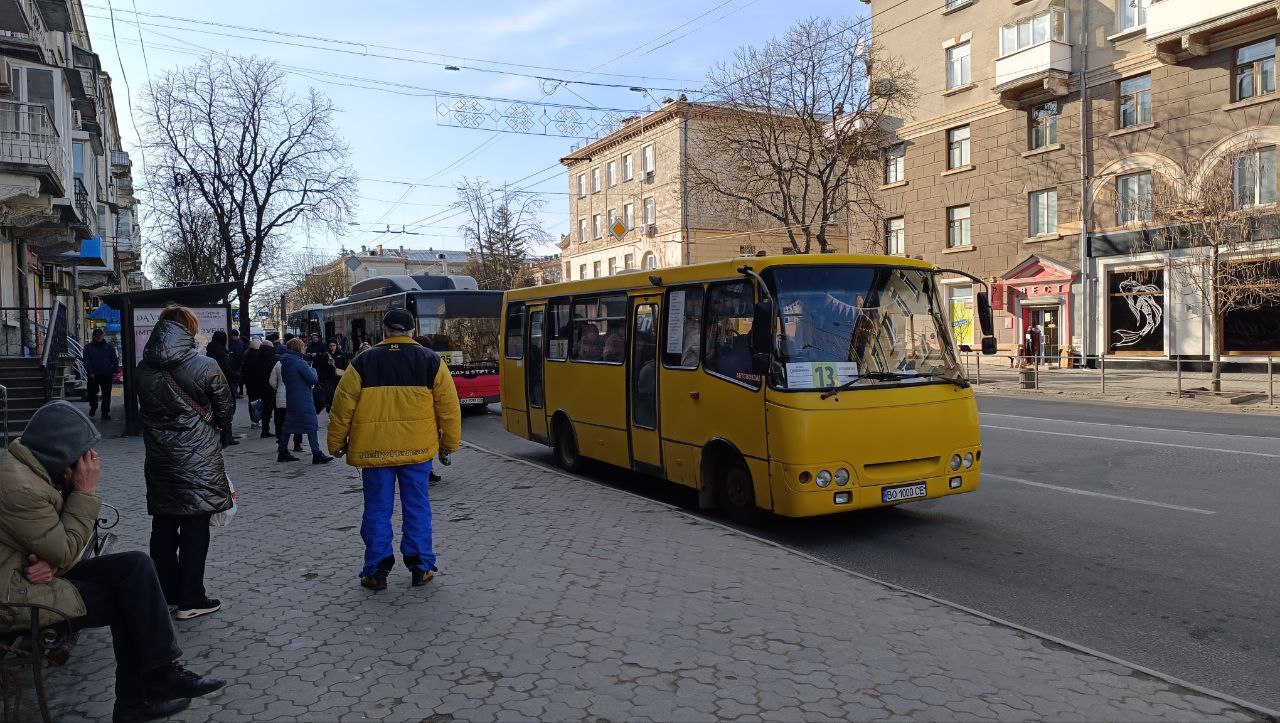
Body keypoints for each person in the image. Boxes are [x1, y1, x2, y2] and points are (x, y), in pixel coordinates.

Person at [0, 401, 226, 722]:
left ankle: (159, 674)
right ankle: (138, 699)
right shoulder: (21, 488)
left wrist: (55, 557)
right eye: (82, 455)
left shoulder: (32, 469)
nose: (88, 463)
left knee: (134, 566)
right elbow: (64, 549)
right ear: (61, 453)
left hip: (29, 573)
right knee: (128, 599)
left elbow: (58, 547)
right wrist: (85, 492)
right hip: (14, 596)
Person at [329, 309, 461, 591]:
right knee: (417, 507)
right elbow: (449, 409)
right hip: (417, 449)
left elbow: (341, 408)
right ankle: (421, 567)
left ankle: (376, 572)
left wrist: (336, 444)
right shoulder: (431, 361)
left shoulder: (362, 362)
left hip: (374, 452)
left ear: (385, 331)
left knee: (377, 509)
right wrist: (448, 444)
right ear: (412, 331)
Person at [135, 305, 234, 622]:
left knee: (163, 526)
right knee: (195, 527)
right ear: (189, 331)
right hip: (198, 460)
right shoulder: (206, 365)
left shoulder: (142, 370)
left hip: (161, 459)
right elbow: (226, 411)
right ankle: (192, 597)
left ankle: (167, 593)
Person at [272, 338, 333, 464]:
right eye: (303, 346)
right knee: (311, 425)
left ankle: (282, 451)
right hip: (303, 398)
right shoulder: (300, 363)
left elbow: (285, 379)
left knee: (288, 425)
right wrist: (313, 369)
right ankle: (316, 454)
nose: (305, 348)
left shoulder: (285, 363)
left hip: (292, 397)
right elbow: (313, 379)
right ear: (298, 348)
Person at [244, 338, 278, 438]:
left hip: (256, 387)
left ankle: (259, 424)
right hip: (269, 388)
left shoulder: (254, 357)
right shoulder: (272, 357)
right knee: (269, 410)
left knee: (261, 408)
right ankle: (267, 430)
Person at [83, 328, 119, 421]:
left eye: (100, 335)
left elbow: (114, 359)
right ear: (94, 336)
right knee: (92, 393)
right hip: (93, 374)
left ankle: (105, 412)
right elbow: (86, 361)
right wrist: (90, 372)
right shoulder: (88, 347)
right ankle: (93, 406)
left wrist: (114, 370)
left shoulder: (109, 347)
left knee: (106, 394)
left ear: (103, 336)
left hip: (106, 373)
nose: (98, 337)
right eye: (96, 335)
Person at [314, 339, 347, 414]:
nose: (332, 347)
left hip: (339, 378)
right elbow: (321, 368)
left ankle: (338, 411)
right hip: (328, 379)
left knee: (338, 395)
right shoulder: (325, 355)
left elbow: (345, 365)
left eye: (334, 345)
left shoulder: (341, 354)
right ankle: (330, 412)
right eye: (330, 346)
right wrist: (327, 365)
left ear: (336, 345)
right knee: (330, 396)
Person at [227, 329, 247, 399]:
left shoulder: (237, 343)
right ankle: (235, 393)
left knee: (236, 380)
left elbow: (239, 355)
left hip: (236, 365)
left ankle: (235, 393)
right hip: (236, 364)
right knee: (235, 380)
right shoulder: (239, 343)